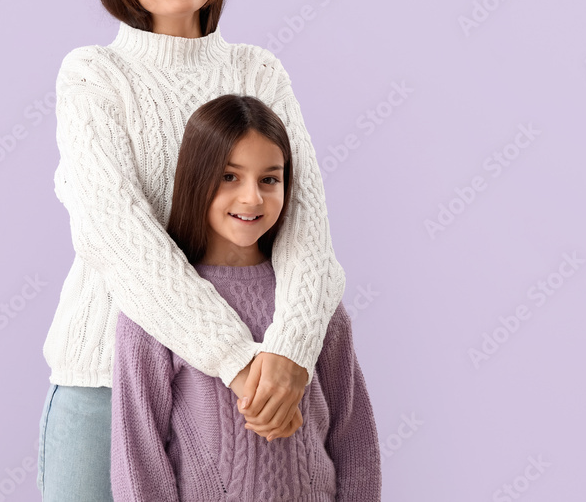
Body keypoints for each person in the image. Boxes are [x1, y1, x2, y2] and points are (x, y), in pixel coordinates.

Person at [38, 0, 348, 501]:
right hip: (108, 383)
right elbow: (119, 237)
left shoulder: (258, 72)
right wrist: (236, 359)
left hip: (256, 392)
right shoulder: (95, 76)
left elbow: (306, 222)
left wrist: (288, 353)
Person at [110, 94, 382, 500]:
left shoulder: (312, 302)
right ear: (196, 178)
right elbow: (139, 454)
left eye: (269, 179)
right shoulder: (155, 307)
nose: (252, 197)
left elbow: (352, 435)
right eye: (229, 176)